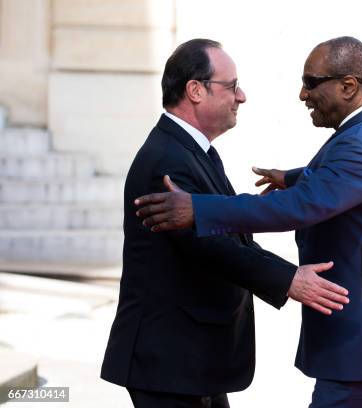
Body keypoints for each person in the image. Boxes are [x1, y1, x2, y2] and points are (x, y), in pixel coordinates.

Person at [135, 36, 362, 407]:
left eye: (310, 82)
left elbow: (300, 207)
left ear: (348, 86)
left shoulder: (360, 144)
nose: (303, 95)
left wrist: (199, 209)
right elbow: (342, 180)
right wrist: (290, 176)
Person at [100, 38, 349, 408]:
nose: (242, 96)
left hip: (193, 361)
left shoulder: (195, 152)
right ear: (195, 90)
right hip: (168, 361)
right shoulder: (168, 161)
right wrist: (289, 280)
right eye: (232, 86)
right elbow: (210, 245)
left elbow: (230, 233)